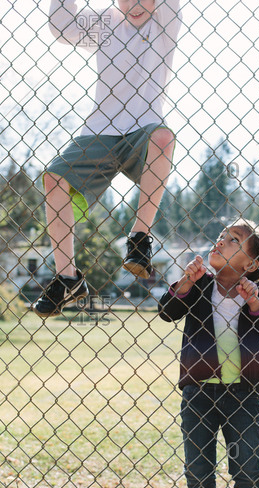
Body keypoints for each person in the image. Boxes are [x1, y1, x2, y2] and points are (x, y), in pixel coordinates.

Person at [33, 0, 182, 317]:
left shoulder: (165, 23)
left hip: (144, 128)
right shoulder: (104, 22)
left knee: (164, 137)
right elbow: (61, 27)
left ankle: (140, 239)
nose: (137, 4)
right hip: (100, 130)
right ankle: (68, 278)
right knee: (53, 178)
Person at [158, 219, 259, 488]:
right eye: (220, 237)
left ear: (251, 263)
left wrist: (255, 302)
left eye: (233, 240)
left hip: (244, 394)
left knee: (246, 465)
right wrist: (184, 282)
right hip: (198, 391)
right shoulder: (199, 286)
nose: (221, 242)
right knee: (197, 466)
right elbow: (167, 312)